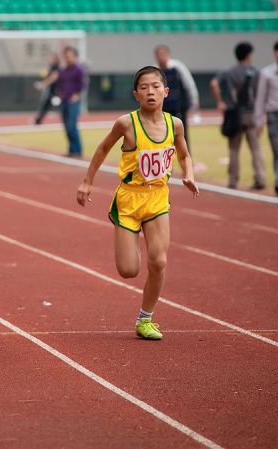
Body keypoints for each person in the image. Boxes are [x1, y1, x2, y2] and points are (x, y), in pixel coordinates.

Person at [77, 66, 199, 340]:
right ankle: (132, 241)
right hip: (130, 199)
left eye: (156, 86)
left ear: (166, 92)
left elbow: (184, 154)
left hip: (157, 198)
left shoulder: (174, 124)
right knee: (129, 270)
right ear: (136, 94)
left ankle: (145, 319)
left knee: (159, 262)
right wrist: (87, 181)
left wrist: (188, 174)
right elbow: (102, 149)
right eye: (144, 87)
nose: (150, 91)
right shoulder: (126, 123)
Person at [210, 42, 266, 190]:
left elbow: (214, 83)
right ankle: (260, 178)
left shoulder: (229, 72)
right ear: (249, 55)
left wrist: (220, 101)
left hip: (233, 114)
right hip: (250, 113)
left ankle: (233, 181)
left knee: (234, 149)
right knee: (255, 148)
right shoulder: (256, 72)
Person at [40, 46, 87, 158]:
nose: (68, 58)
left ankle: (78, 150)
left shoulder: (79, 70)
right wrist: (46, 85)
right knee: (66, 126)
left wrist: (76, 95)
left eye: (70, 56)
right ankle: (71, 150)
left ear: (75, 57)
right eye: (66, 56)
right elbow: (55, 78)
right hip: (64, 101)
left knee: (72, 126)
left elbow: (82, 85)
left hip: (73, 102)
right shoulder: (63, 70)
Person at [154, 45, 200, 152]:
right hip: (162, 109)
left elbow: (189, 85)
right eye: (158, 55)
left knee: (182, 136)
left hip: (179, 107)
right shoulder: (154, 70)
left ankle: (187, 163)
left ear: (168, 55)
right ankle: (166, 165)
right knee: (162, 137)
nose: (161, 57)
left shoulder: (178, 67)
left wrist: (194, 101)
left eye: (163, 54)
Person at [254, 40, 278, 196]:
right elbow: (260, 98)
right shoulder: (267, 73)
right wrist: (259, 120)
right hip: (273, 114)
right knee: (277, 148)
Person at [33, 52, 61, 125]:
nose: (49, 59)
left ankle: (37, 121)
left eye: (51, 58)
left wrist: (43, 84)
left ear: (55, 59)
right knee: (44, 106)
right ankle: (37, 121)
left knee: (62, 106)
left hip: (57, 92)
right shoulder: (51, 67)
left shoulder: (57, 67)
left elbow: (53, 77)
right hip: (51, 92)